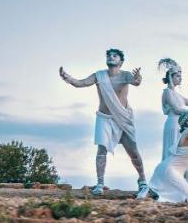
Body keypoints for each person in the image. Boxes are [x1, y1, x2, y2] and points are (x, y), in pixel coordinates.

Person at [59, 48, 147, 196]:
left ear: (121, 61)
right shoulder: (99, 76)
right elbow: (81, 83)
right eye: (109, 55)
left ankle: (143, 180)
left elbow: (136, 82)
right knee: (101, 150)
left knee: (132, 151)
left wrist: (139, 77)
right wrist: (67, 78)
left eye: (115, 56)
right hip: (104, 118)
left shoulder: (125, 75)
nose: (111, 57)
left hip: (123, 118)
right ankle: (100, 183)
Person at [158, 58, 188, 167]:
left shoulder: (177, 94)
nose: (180, 78)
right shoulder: (167, 92)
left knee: (181, 151)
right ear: (171, 77)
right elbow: (176, 109)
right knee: (172, 150)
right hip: (172, 123)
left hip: (180, 124)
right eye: (177, 76)